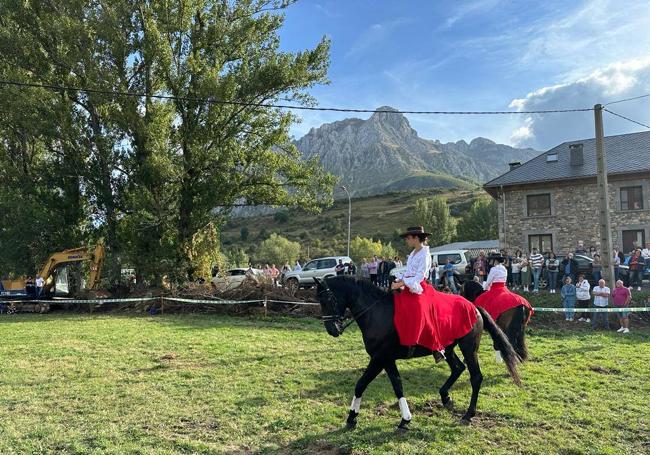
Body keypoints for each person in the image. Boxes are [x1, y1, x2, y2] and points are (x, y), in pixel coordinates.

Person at [391, 226, 444, 362]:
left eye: (408, 238)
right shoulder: (413, 253)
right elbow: (409, 272)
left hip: (420, 287)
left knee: (419, 309)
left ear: (416, 238)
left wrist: (402, 283)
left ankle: (436, 347)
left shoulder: (425, 254)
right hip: (409, 285)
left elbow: (420, 276)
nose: (406, 240)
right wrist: (399, 279)